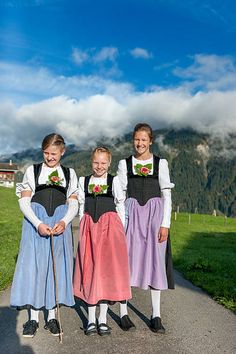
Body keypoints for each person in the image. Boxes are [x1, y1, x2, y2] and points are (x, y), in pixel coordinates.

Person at [10, 133, 78, 338]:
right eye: (47, 153)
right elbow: (24, 202)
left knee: (53, 267)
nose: (50, 157)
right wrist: (38, 223)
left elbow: (73, 201)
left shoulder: (69, 173)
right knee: (34, 268)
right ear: (43, 152)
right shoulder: (33, 171)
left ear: (62, 152)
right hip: (35, 225)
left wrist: (65, 221)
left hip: (59, 225)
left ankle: (51, 317)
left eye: (54, 154)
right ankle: (33, 318)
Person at [117, 123, 175, 333]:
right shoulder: (125, 164)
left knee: (155, 264)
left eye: (144, 139)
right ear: (133, 140)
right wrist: (121, 224)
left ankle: (156, 315)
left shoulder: (161, 164)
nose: (140, 143)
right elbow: (120, 197)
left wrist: (165, 224)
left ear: (150, 141)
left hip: (154, 218)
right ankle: (123, 312)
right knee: (126, 263)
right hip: (132, 217)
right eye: (136, 139)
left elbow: (166, 195)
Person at [73, 147, 132, 336]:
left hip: (109, 230)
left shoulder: (113, 180)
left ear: (109, 163)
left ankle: (103, 319)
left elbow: (120, 204)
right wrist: (83, 225)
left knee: (106, 273)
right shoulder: (84, 181)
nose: (99, 166)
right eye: (96, 162)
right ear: (91, 162)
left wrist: (120, 230)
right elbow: (82, 206)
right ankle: (91, 319)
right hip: (90, 229)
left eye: (103, 163)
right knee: (90, 270)